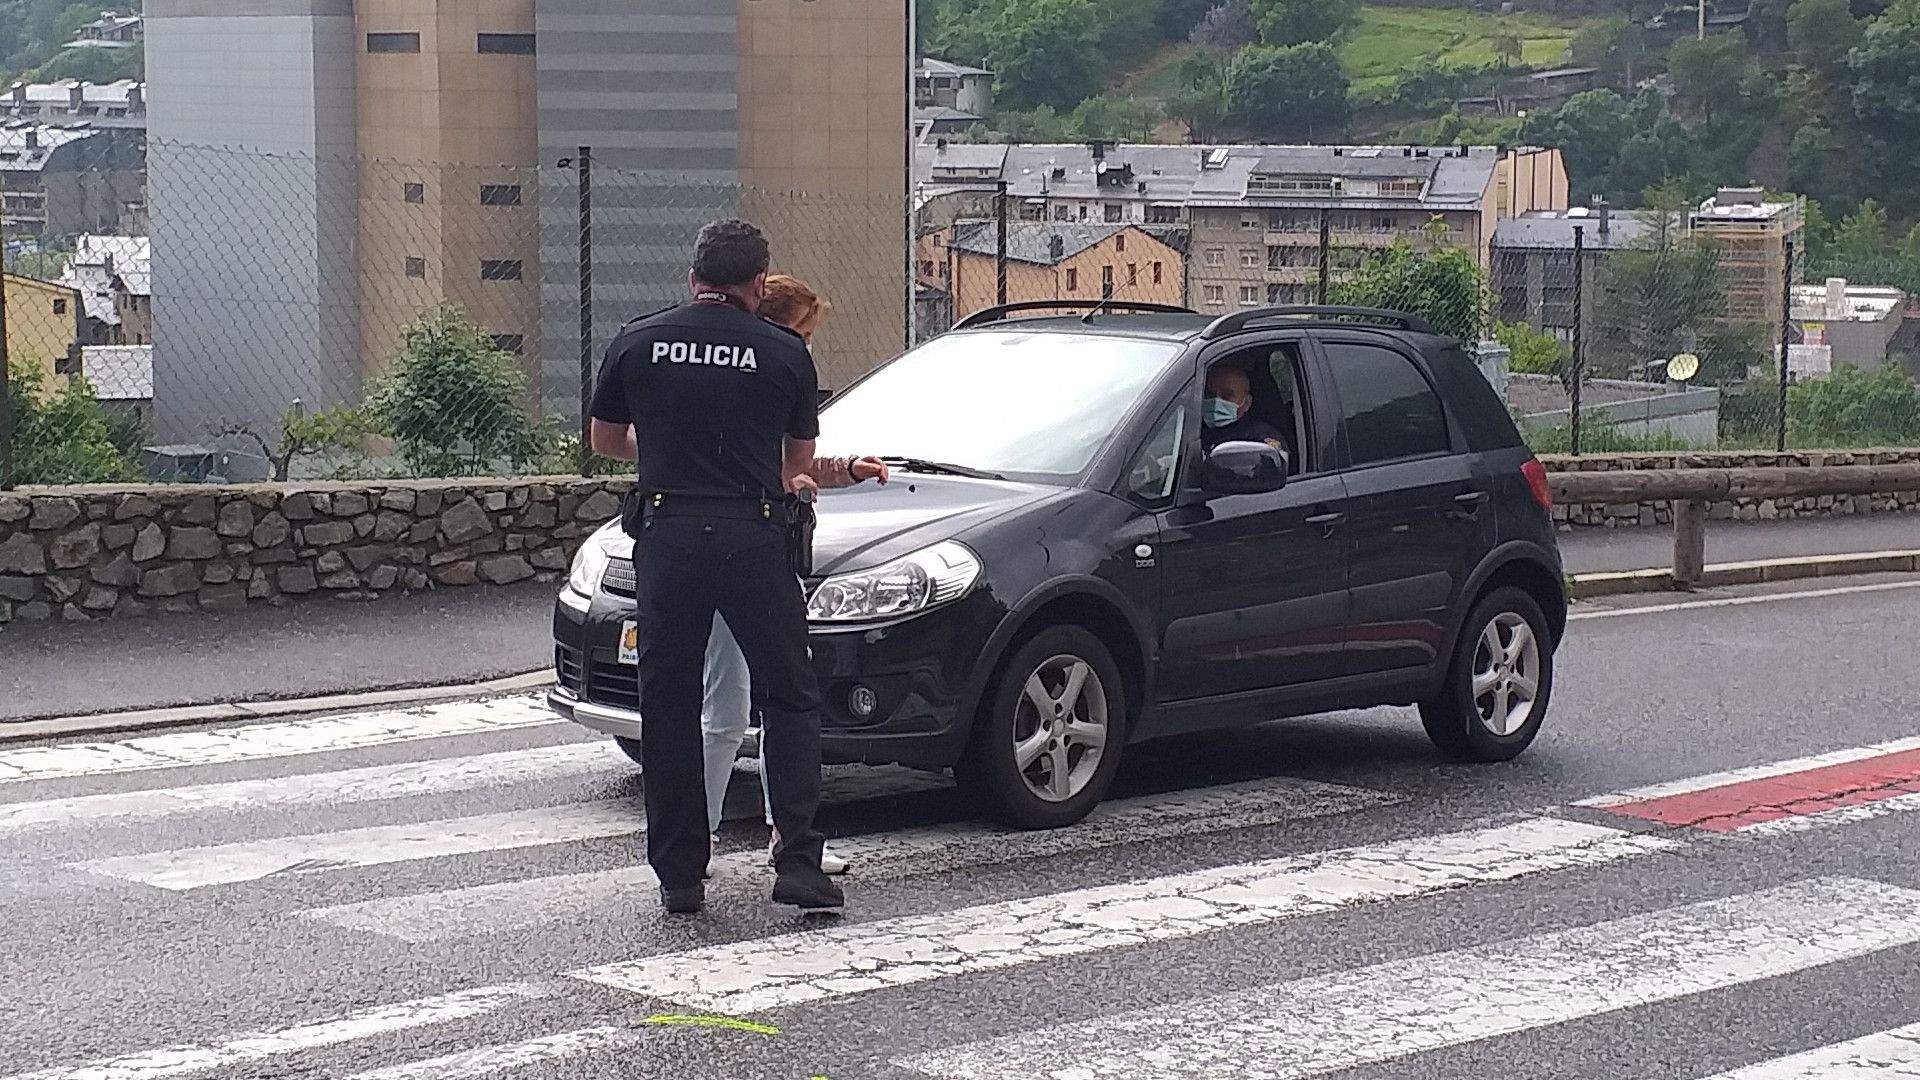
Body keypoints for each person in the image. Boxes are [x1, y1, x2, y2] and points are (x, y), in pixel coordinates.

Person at [587, 218, 842, 915]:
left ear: (693, 277)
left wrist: (669, 446)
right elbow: (794, 462)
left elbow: (606, 439)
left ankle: (680, 876)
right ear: (759, 283)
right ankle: (796, 863)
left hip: (668, 536)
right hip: (753, 537)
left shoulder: (639, 340)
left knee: (668, 703)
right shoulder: (785, 351)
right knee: (789, 697)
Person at [699, 274, 888, 875]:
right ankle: (727, 837)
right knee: (742, 706)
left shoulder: (743, 374)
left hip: (734, 551)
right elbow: (770, 465)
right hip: (752, 553)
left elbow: (791, 463)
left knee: (737, 704)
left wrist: (844, 469)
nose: (807, 345)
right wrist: (802, 477)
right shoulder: (771, 375)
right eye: (804, 331)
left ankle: (715, 840)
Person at [1200, 364, 1292, 456]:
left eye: (1227, 395)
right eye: (1210, 394)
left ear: (1247, 403)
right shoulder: (1195, 430)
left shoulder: (1260, 439)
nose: (1216, 401)